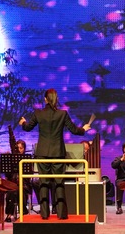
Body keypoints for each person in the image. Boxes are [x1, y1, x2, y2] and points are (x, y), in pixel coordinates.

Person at [19, 88, 91, 220]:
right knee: (59, 183)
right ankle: (61, 214)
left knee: (44, 183)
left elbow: (28, 128)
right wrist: (84, 129)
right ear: (56, 99)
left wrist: (23, 122)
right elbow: (74, 130)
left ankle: (44, 214)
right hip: (58, 153)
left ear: (45, 99)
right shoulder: (62, 114)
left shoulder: (38, 113)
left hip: (42, 153)